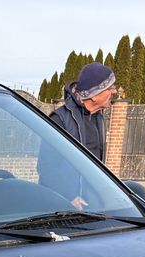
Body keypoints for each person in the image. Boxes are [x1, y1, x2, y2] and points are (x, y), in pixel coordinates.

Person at [37, 62, 118, 209]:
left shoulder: (98, 117)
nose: (114, 91)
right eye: (110, 88)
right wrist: (68, 197)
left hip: (90, 206)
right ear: (94, 95)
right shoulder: (60, 120)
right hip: (63, 206)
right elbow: (46, 167)